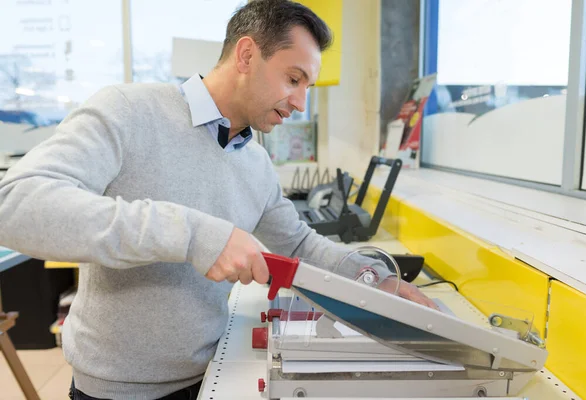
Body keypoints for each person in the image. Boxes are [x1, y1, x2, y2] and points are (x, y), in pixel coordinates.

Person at [0, 0, 437, 399]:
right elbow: (16, 204)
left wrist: (372, 278)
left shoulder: (255, 161)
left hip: (211, 374)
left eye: (308, 87)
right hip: (118, 389)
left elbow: (300, 244)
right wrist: (195, 234)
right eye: (293, 79)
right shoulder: (129, 110)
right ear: (246, 55)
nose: (301, 103)